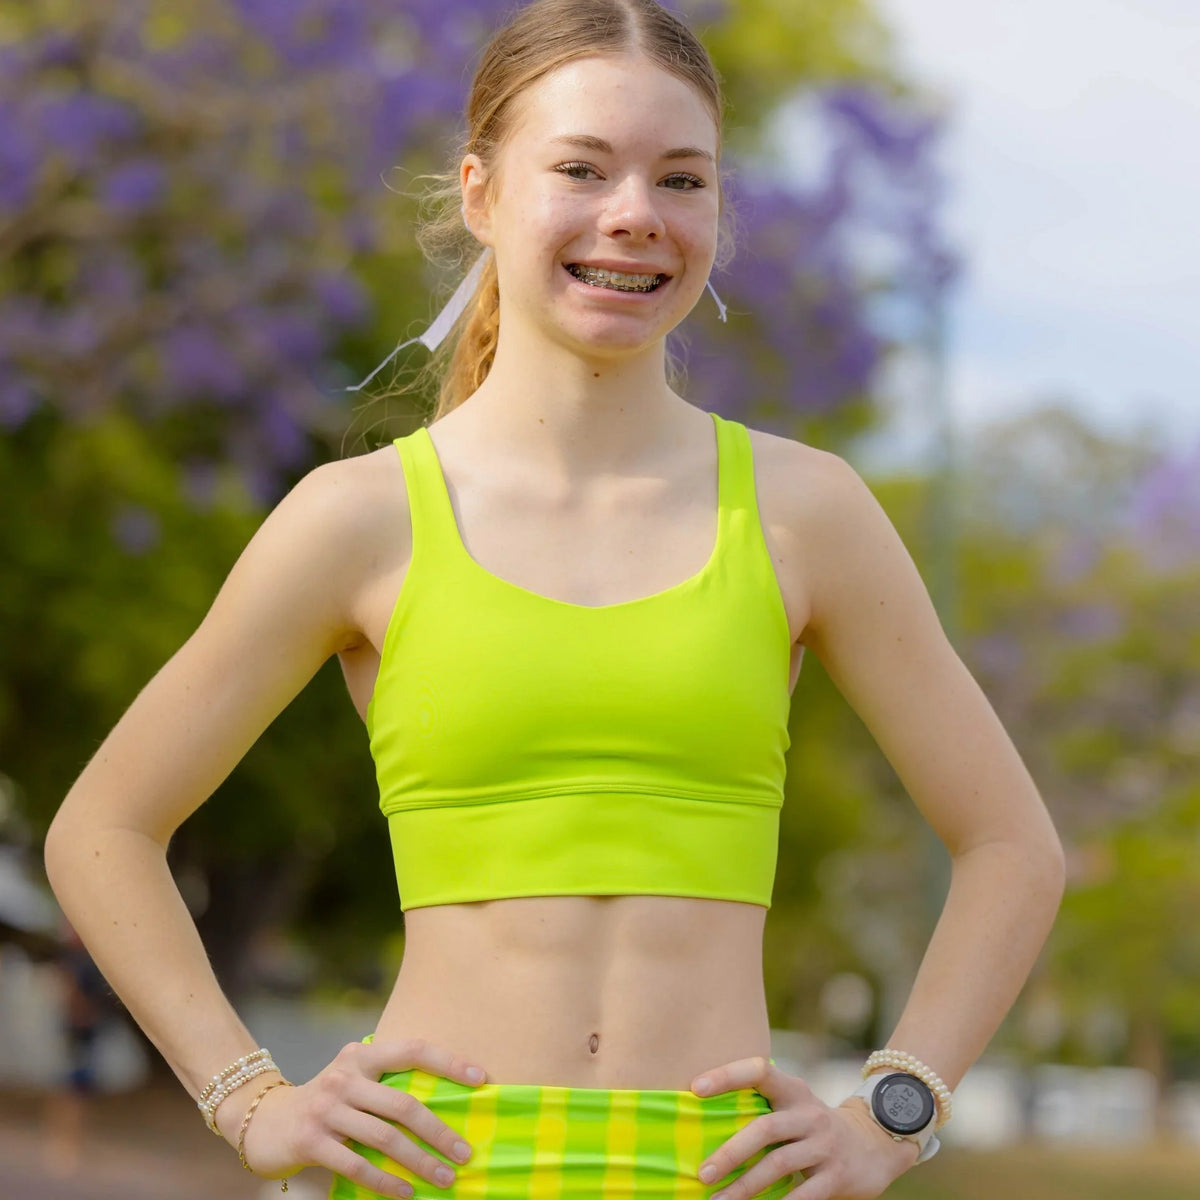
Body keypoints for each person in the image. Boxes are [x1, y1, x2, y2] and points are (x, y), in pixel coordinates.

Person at [43, 2, 1067, 1198]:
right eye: (581, 168)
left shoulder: (808, 512)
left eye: (682, 179)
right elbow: (102, 829)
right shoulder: (357, 517)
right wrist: (248, 1097)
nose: (635, 214)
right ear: (480, 193)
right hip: (425, 1172)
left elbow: (1012, 847)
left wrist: (892, 1115)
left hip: (718, 1176)